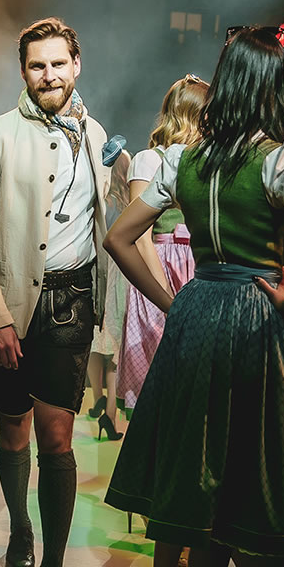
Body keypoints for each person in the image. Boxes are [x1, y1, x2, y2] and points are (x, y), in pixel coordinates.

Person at [103, 27, 284, 567]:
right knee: (227, 482)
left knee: (187, 463)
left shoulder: (183, 158)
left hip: (195, 312)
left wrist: (170, 299)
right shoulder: (281, 155)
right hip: (250, 320)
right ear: (272, 86)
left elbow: (119, 237)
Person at [0, 17, 110, 567]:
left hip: (72, 302)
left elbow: (104, 222)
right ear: (23, 72)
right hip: (12, 305)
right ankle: (20, 526)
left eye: (58, 63)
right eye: (37, 65)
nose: (49, 75)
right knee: (13, 429)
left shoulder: (95, 134)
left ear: (77, 65)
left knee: (58, 437)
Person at [116, 74, 208, 418]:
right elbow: (139, 236)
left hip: (196, 267)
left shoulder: (203, 161)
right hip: (162, 267)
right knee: (158, 381)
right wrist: (165, 296)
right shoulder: (149, 159)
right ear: (191, 115)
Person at [86, 149, 131, 441]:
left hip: (97, 272)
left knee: (95, 339)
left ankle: (97, 399)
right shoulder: (129, 205)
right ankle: (111, 416)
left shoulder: (100, 202)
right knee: (115, 346)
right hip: (121, 275)